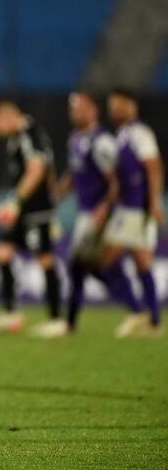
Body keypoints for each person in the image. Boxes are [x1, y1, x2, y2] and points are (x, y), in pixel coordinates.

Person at [55, 92, 141, 332]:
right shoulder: (75, 139)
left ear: (94, 110)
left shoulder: (102, 141)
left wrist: (104, 207)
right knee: (89, 266)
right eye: (74, 108)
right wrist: (61, 190)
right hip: (86, 212)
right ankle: (134, 309)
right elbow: (75, 171)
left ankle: (71, 323)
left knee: (81, 265)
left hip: (99, 214)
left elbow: (116, 180)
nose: (77, 112)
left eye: (82, 107)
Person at [0, 100, 64, 338]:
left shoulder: (30, 133)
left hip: (34, 210)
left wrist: (15, 202)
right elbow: (50, 172)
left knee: (45, 259)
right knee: (1, 253)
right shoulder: (17, 138)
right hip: (24, 211)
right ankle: (11, 314)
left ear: (5, 115)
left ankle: (56, 319)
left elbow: (37, 170)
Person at [100, 88, 164, 337]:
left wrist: (155, 202)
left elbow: (153, 168)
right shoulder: (122, 134)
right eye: (112, 105)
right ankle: (152, 321)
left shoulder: (140, 133)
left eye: (120, 104)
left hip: (137, 209)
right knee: (140, 262)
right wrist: (108, 202)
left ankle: (140, 314)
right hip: (126, 208)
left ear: (132, 105)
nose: (115, 109)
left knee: (107, 261)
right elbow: (121, 178)